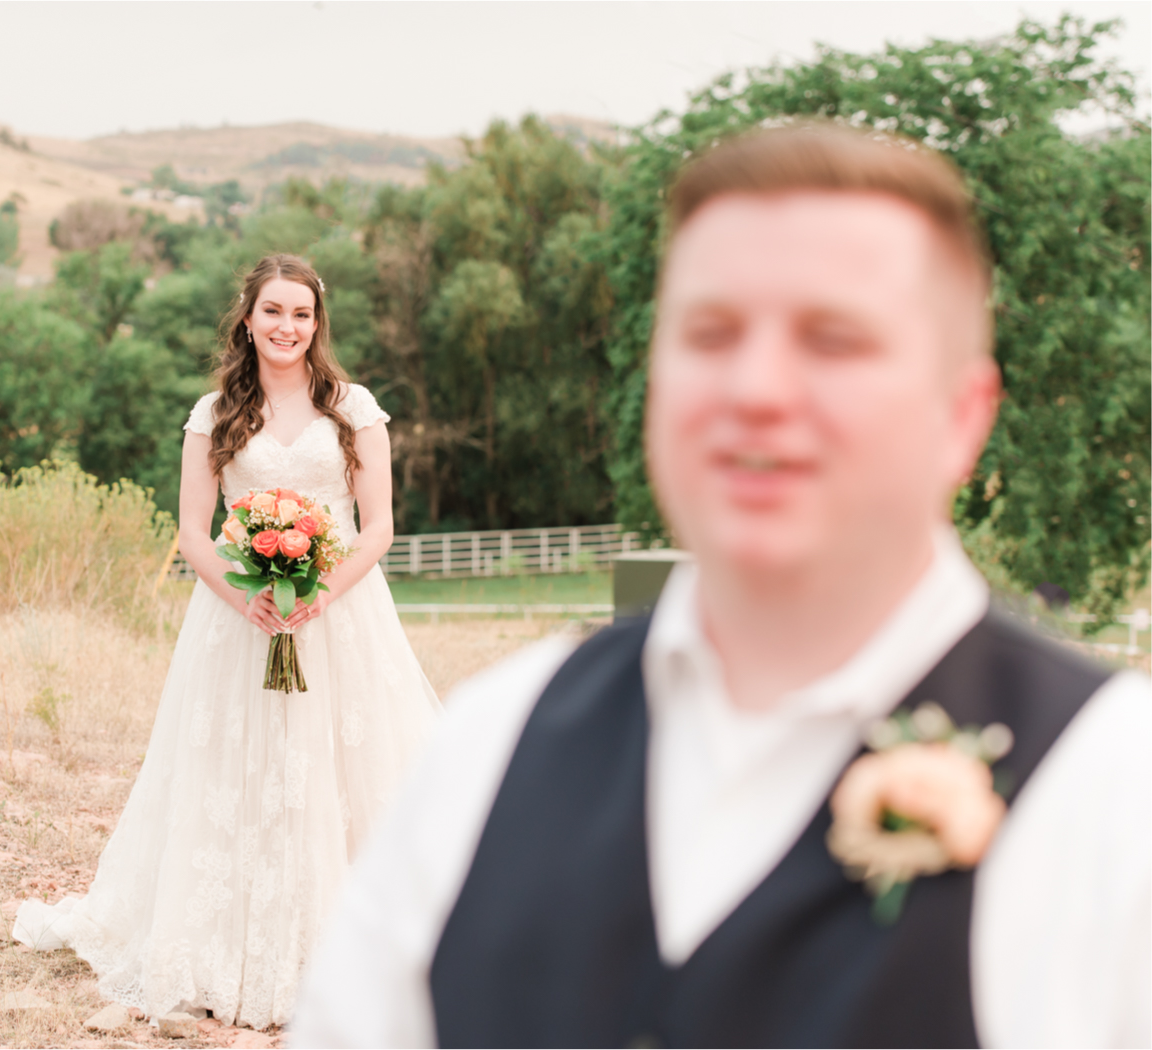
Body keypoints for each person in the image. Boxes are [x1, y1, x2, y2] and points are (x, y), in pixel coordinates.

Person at [291, 125, 1150, 1048]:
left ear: (961, 416)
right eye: (711, 332)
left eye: (835, 339)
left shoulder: (1116, 793)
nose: (757, 389)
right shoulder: (489, 741)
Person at [14, 254, 442, 1030]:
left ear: (318, 324)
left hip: (338, 611)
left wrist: (315, 595)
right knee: (236, 772)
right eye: (273, 312)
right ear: (247, 319)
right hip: (238, 618)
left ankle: (346, 946)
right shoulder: (215, 413)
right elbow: (193, 530)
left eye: (302, 315)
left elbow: (376, 527)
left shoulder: (354, 408)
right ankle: (221, 945)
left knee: (343, 772)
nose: (287, 327)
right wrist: (252, 598)